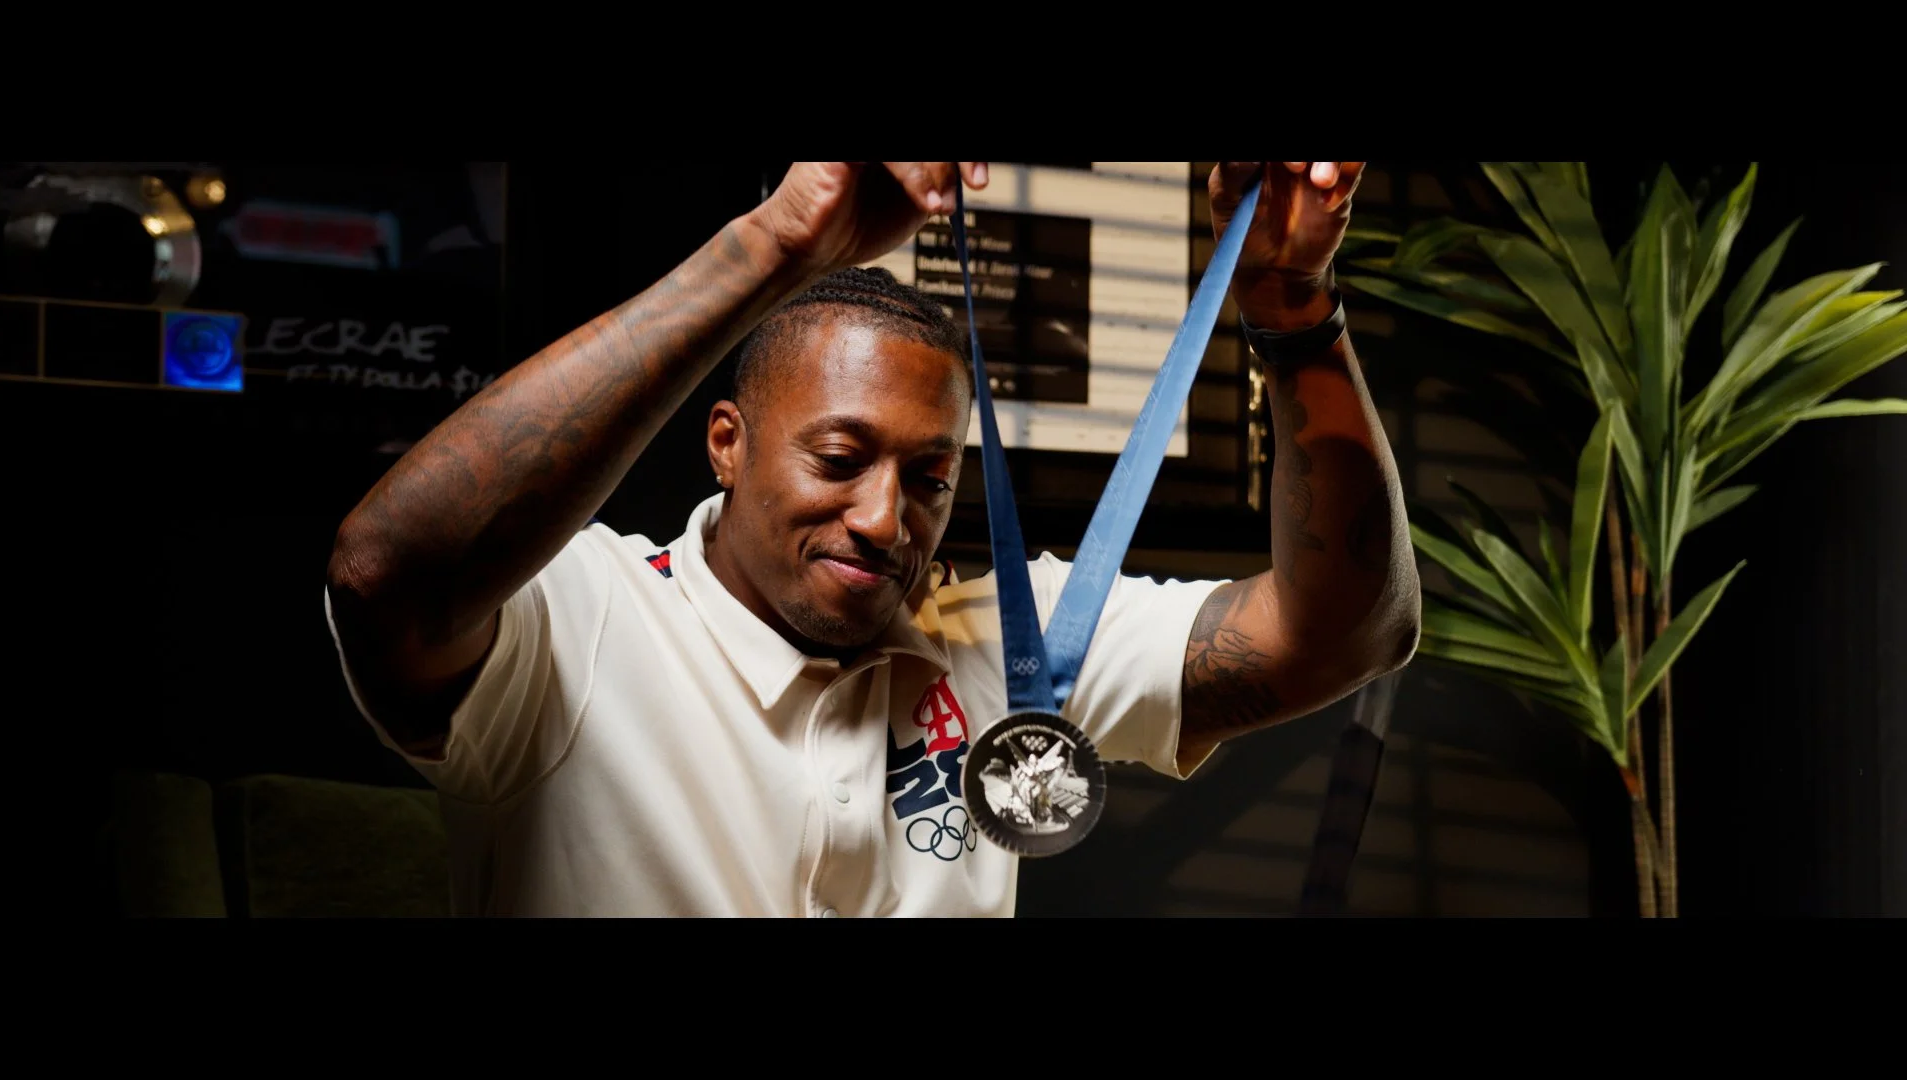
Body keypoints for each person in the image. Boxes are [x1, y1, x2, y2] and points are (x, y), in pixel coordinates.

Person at [324, 161, 1420, 917]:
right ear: (727, 443)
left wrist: (1289, 304)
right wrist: (775, 245)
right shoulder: (581, 619)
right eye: (839, 460)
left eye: (930, 478)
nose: (887, 521)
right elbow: (385, 576)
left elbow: (1342, 637)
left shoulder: (1009, 640)